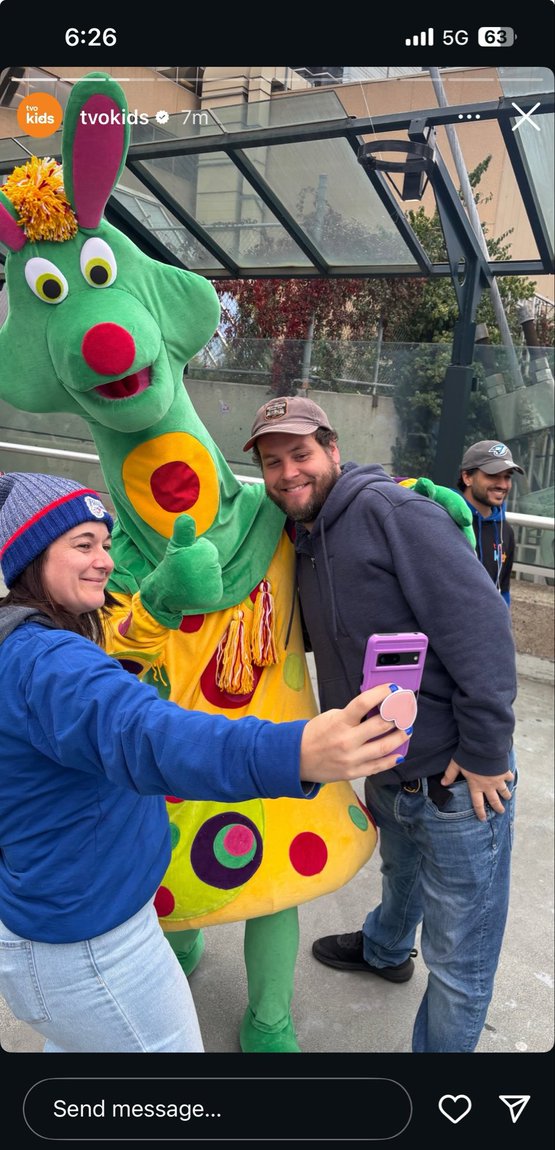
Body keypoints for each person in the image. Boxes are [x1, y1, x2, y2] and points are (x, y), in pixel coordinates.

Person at [0, 471, 410, 1055]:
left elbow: (102, 711)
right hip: (92, 947)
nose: (105, 561)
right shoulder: (50, 659)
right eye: (82, 545)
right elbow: (147, 732)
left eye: (105, 543)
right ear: (31, 556)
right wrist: (295, 752)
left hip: (64, 931)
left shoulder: (31, 642)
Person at [245, 396, 518, 1054]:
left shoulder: (392, 513)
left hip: (457, 780)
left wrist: (485, 753)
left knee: (457, 967)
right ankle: (385, 949)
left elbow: (484, 631)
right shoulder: (301, 535)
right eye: (272, 463)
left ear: (332, 450)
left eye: (301, 454)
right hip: (385, 767)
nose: (288, 473)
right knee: (398, 875)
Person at [457, 440, 524, 606]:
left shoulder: (505, 531)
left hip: (487, 629)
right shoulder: (446, 521)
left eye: (507, 477)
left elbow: (504, 590)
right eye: (493, 475)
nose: (502, 485)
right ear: (467, 477)